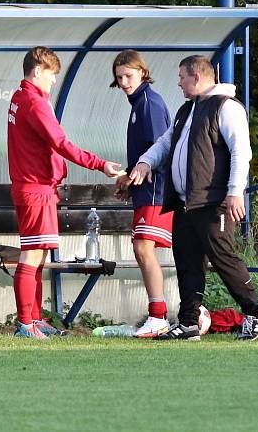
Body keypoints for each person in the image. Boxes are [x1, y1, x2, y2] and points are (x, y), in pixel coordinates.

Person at [129, 55, 258, 341]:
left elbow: (242, 152)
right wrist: (145, 163)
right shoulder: (185, 110)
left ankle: (256, 313)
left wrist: (234, 192)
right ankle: (189, 322)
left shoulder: (226, 107)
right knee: (187, 261)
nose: (179, 82)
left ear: (197, 77)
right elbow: (166, 143)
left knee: (222, 257)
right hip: (185, 202)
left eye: (182, 76)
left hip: (213, 201)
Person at [7, 46, 124, 339]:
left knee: (39, 256)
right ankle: (25, 324)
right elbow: (61, 143)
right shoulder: (34, 103)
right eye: (51, 75)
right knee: (32, 256)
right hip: (36, 189)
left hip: (32, 187)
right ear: (37, 71)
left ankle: (34, 319)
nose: (53, 81)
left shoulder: (19, 99)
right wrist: (100, 165)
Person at [110, 50, 174, 338]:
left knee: (143, 248)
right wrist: (129, 178)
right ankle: (190, 311)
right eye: (119, 77)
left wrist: (140, 174)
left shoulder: (149, 104)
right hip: (146, 190)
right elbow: (144, 153)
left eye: (129, 75)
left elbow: (161, 148)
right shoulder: (139, 103)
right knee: (145, 249)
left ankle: (159, 316)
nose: (124, 81)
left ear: (143, 73)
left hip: (157, 191)